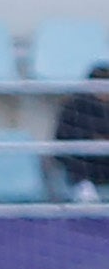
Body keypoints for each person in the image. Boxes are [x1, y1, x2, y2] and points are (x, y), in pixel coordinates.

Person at [54, 62, 109, 203]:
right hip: (85, 159)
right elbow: (62, 136)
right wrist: (92, 139)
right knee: (74, 153)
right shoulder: (74, 105)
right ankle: (84, 188)